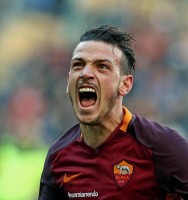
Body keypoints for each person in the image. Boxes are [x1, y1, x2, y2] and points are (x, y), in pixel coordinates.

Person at [38, 25, 188, 200]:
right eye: (78, 65)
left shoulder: (163, 147)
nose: (85, 73)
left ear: (125, 85)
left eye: (102, 66)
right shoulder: (59, 156)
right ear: (68, 80)